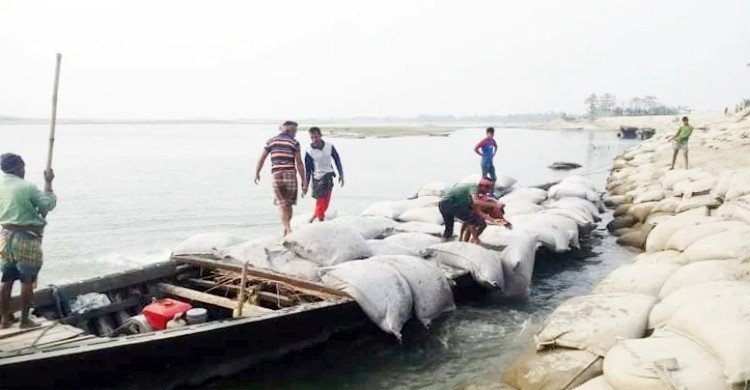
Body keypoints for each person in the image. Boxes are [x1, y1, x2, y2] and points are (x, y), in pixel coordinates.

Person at [0, 153, 56, 329]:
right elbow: (47, 205)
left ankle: (4, 320)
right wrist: (49, 184)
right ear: (18, 168)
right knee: (27, 278)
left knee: (6, 279)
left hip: (5, 236)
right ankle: (25, 320)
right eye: (23, 167)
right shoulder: (27, 187)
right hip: (25, 238)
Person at [254, 121, 307, 236]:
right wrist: (304, 181)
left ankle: (286, 229)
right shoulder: (294, 143)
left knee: (282, 204)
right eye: (295, 132)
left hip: (277, 175)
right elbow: (299, 164)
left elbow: (261, 159)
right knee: (289, 204)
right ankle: (287, 229)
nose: (295, 134)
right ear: (291, 131)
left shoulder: (271, 141)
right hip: (290, 175)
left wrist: (257, 173)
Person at [304, 127, 344, 223]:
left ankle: (316, 214)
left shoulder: (329, 147)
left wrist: (341, 175)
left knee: (326, 200)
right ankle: (320, 219)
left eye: (316, 137)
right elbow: (308, 169)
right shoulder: (309, 151)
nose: (314, 140)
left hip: (328, 175)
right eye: (312, 137)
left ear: (321, 136)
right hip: (317, 177)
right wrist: (305, 184)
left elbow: (337, 160)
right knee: (320, 200)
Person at [438, 179, 493, 244]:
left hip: (443, 204)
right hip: (450, 203)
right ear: (483, 186)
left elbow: (478, 212)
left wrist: (493, 220)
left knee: (449, 228)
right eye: (488, 188)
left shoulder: (471, 195)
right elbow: (475, 202)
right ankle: (473, 240)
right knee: (472, 220)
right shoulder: (474, 187)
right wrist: (493, 205)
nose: (487, 191)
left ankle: (444, 242)